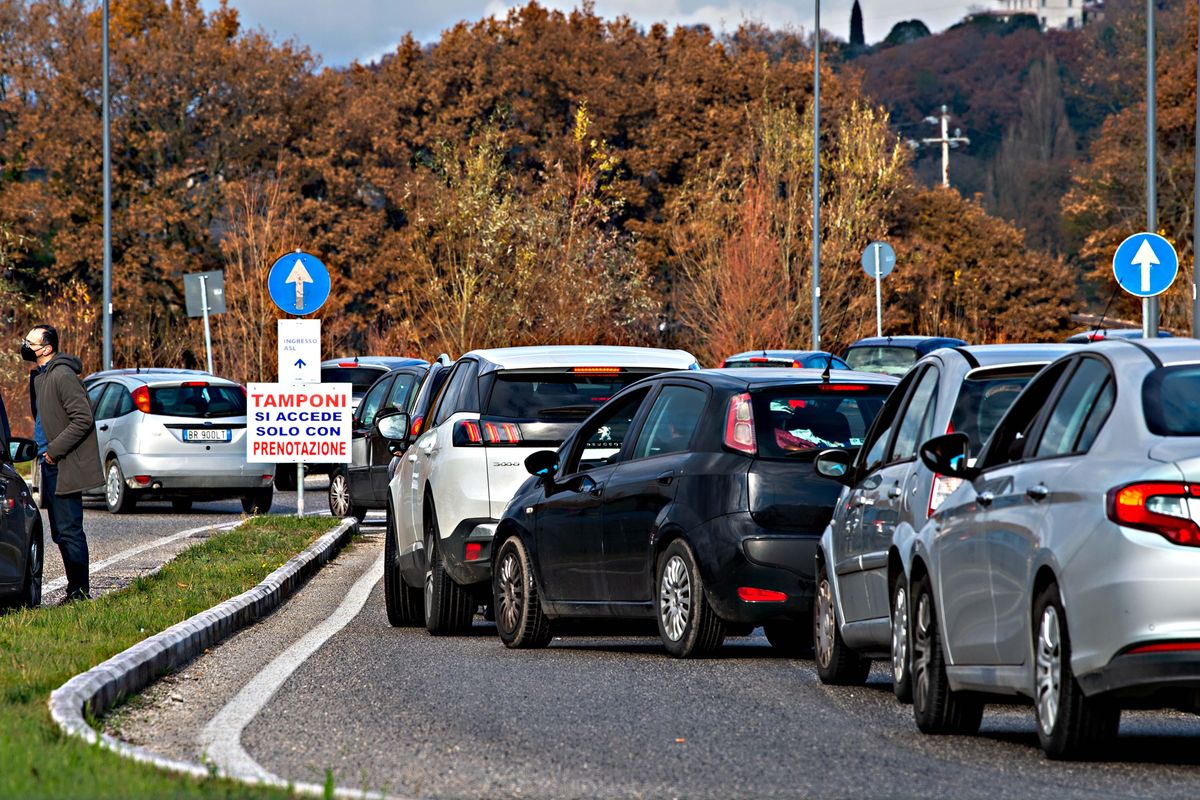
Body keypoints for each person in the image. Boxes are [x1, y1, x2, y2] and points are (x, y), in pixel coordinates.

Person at [24, 324, 102, 602]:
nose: (26, 346)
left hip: (64, 463)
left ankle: (80, 593)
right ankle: (75, 590)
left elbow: (83, 418)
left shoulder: (63, 375)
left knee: (69, 530)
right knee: (60, 530)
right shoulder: (41, 376)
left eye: (31, 342)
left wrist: (53, 452)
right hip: (50, 463)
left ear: (46, 348)